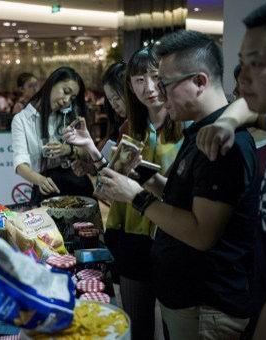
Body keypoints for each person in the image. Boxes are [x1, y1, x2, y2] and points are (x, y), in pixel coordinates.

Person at [95, 30, 259, 339]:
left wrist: (137, 197)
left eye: (165, 83)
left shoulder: (222, 141)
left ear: (199, 82)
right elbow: (180, 194)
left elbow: (200, 233)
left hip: (207, 305)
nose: (158, 92)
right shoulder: (202, 131)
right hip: (186, 298)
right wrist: (144, 175)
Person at [196, 1, 266, 338]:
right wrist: (227, 122)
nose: (242, 76)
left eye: (257, 64)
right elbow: (246, 106)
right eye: (243, 62)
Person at [65, 50, 184, 340]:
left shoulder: (186, 124)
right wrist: (92, 151)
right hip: (131, 235)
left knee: (176, 327)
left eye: (155, 77)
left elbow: (183, 192)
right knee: (137, 325)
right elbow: (114, 182)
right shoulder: (132, 129)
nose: (149, 87)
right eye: (139, 80)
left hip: (173, 237)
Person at [11, 66, 92, 204]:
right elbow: (20, 164)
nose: (67, 100)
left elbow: (89, 153)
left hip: (77, 185)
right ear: (52, 83)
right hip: (45, 186)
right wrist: (39, 180)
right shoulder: (22, 120)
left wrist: (68, 150)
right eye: (65, 91)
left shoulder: (71, 115)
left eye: (72, 98)